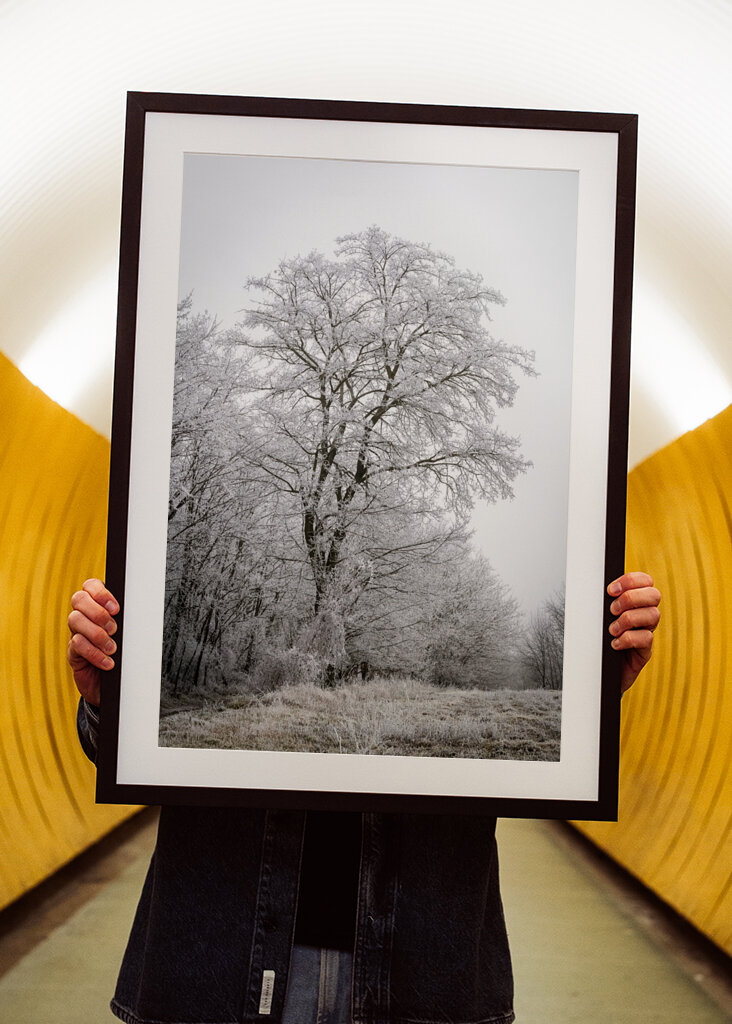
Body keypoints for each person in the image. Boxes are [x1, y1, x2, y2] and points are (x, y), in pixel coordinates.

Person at [68, 572, 661, 1024]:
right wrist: (110, 704)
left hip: (422, 973)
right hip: (217, 961)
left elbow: (542, 756)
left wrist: (588, 700)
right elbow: (118, 753)